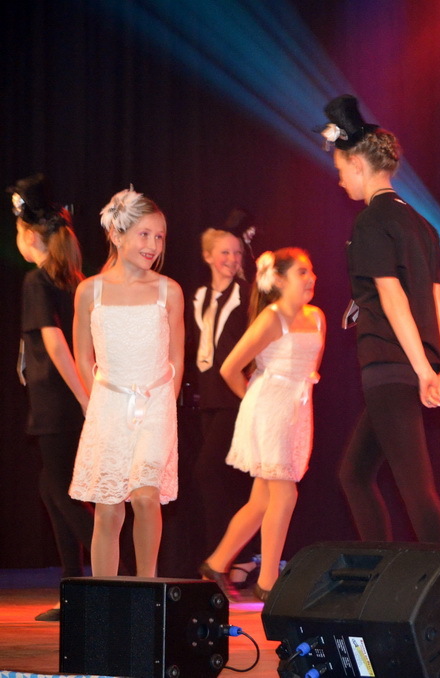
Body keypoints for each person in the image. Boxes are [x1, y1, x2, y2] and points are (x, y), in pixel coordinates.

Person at [325, 95, 440, 544]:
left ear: (359, 165)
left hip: (390, 362)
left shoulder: (371, 221)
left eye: (341, 170)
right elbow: (437, 299)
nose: (340, 180)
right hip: (412, 363)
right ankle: (377, 569)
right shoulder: (422, 224)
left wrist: (424, 370)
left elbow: (393, 296)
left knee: (416, 488)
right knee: (354, 474)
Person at [69, 188, 184, 578]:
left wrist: (165, 404)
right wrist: (97, 403)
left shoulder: (169, 291)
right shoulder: (90, 290)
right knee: (108, 508)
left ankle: (146, 589)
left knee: (146, 496)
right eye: (144, 234)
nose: (153, 245)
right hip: (109, 405)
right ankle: (104, 595)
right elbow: (83, 356)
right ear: (117, 235)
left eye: (159, 236)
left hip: (155, 404)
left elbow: (177, 357)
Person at [200, 248, 324, 601]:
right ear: (279, 280)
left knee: (261, 500)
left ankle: (215, 563)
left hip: (296, 411)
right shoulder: (271, 318)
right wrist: (254, 403)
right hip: (268, 409)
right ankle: (269, 581)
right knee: (285, 493)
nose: (311, 278)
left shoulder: (317, 317)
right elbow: (229, 368)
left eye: (311, 271)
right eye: (302, 272)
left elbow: (310, 370)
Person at [10, 174, 93, 621]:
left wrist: (83, 397)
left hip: (59, 402)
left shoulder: (38, 281)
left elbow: (57, 343)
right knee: (51, 487)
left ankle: (114, 579)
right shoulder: (70, 280)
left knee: (62, 490)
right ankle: (74, 586)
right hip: (63, 400)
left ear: (29, 236)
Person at [189, 210, 258, 587]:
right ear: (208, 256)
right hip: (209, 399)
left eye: (237, 253)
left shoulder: (247, 295)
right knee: (226, 480)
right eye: (225, 253)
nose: (232, 259)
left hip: (236, 397)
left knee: (208, 472)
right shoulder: (199, 296)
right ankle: (240, 558)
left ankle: (220, 559)